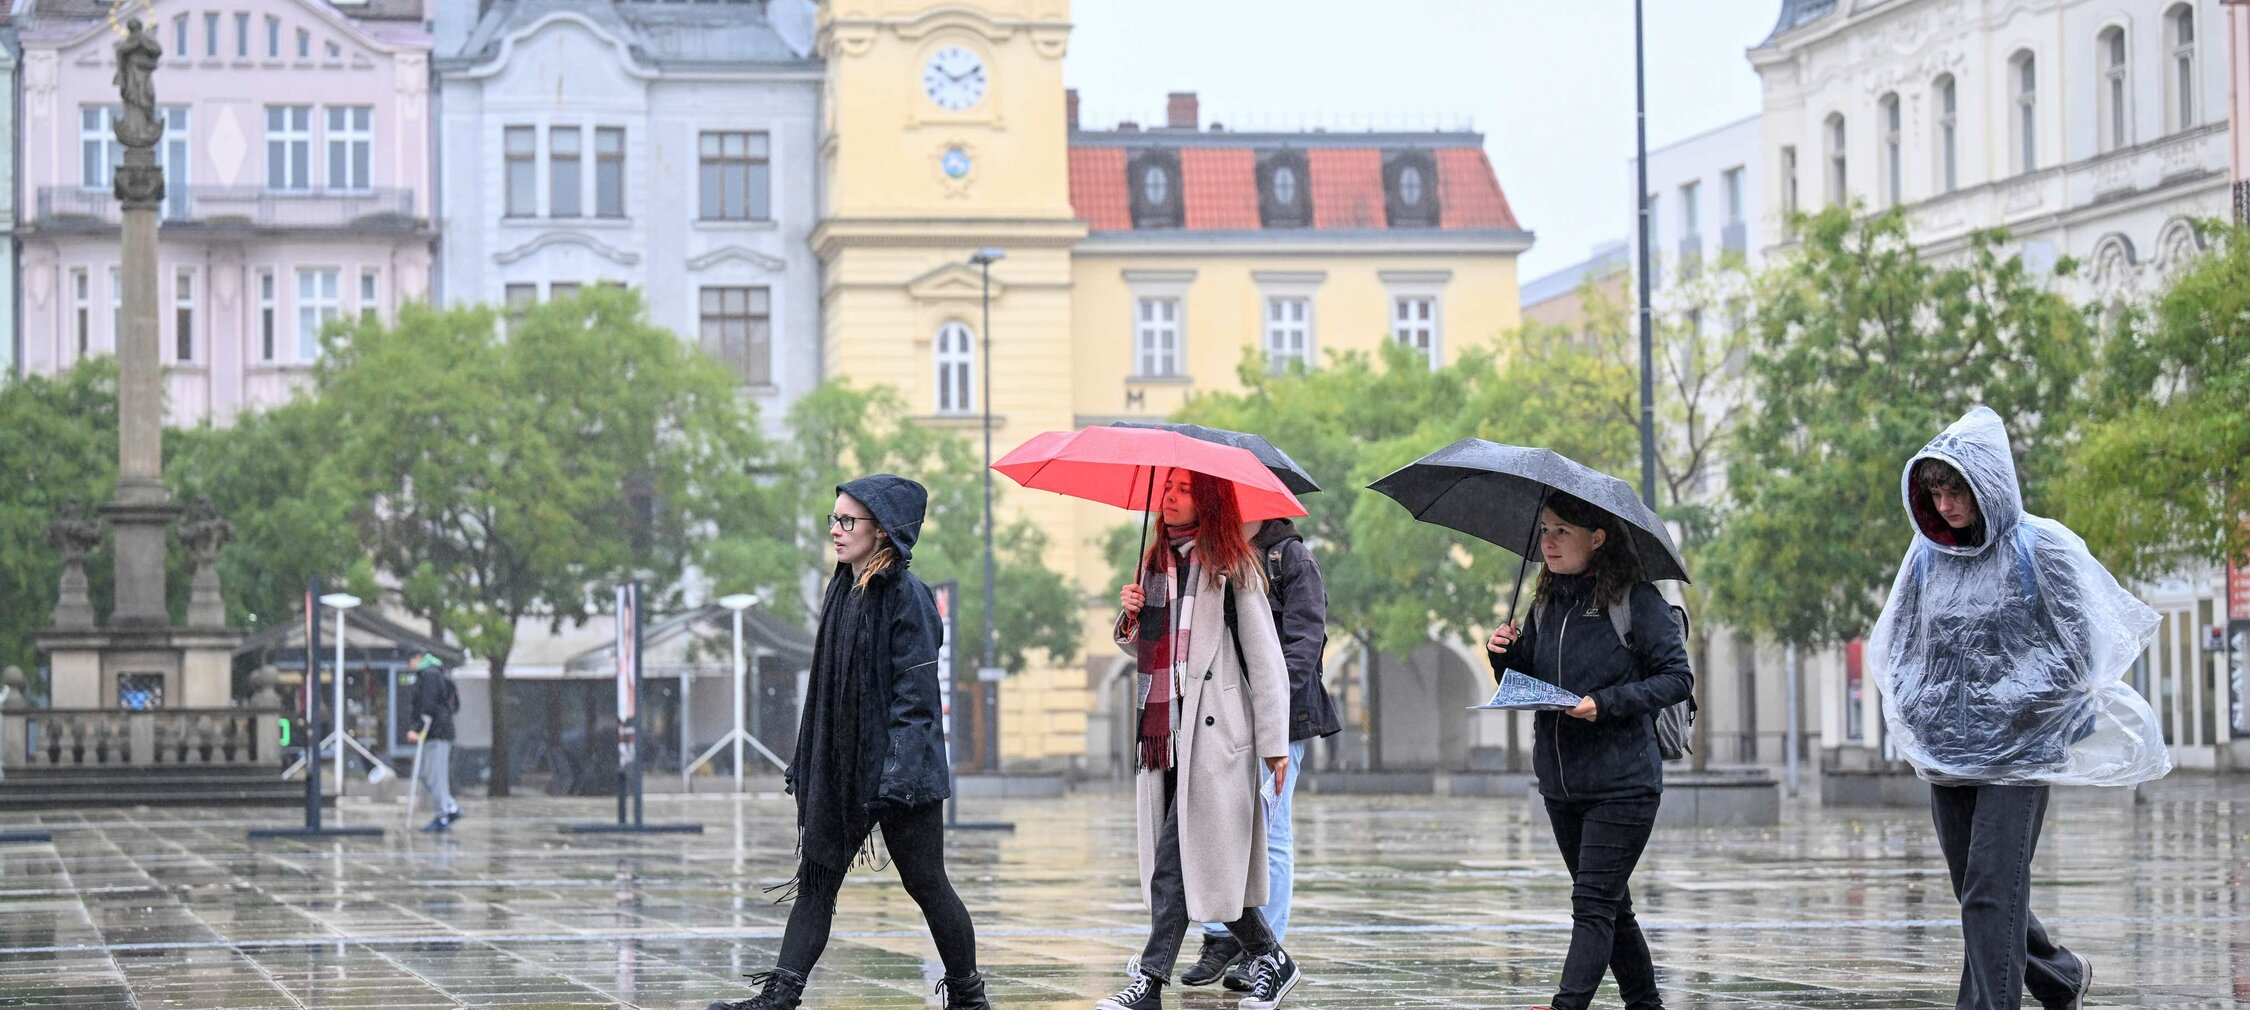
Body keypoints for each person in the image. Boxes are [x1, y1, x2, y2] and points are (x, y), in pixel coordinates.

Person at [1868, 406, 2169, 1010]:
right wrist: (1919, 709)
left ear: (1989, 484)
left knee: (1988, 890)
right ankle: (2058, 977)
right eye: (1936, 491)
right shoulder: (1927, 559)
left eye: (1956, 488)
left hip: (2022, 750)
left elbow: (2080, 654)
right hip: (1948, 750)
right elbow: (1899, 645)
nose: (1947, 503)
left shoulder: (2043, 548)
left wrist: (2013, 706)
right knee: (1978, 890)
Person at [707, 475, 989, 1010]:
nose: (835, 531)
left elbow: (916, 694)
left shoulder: (909, 597)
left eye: (847, 521)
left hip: (898, 774)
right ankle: (779, 999)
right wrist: (807, 760)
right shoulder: (842, 589)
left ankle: (970, 997)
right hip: (842, 767)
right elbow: (824, 691)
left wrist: (898, 776)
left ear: (881, 530)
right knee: (816, 881)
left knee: (928, 885)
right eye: (833, 519)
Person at [1101, 469, 1303, 1010]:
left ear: (1208, 501)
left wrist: (1274, 745)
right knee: (1206, 866)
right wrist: (1131, 615)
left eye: (1182, 489)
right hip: (1163, 735)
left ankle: (1149, 982)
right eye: (1165, 489)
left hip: (1215, 739)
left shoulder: (1232, 567)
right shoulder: (1154, 565)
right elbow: (1144, 651)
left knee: (1177, 862)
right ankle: (1272, 957)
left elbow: (1266, 661)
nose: (1169, 498)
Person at [1485, 491, 1692, 1010]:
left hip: (1623, 783)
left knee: (1593, 903)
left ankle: (1567, 1005)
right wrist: (1504, 658)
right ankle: (1646, 1005)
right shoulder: (1547, 603)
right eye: (1545, 531)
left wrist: (1605, 703)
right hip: (1561, 782)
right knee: (1612, 905)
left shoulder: (1634, 601)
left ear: (1596, 538)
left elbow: (1677, 678)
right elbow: (1530, 681)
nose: (1548, 543)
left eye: (1562, 532)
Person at [1181, 515, 1340, 992]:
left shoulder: (1290, 559)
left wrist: (1266, 707)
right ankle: (1222, 937)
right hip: (1221, 718)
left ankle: (1267, 951)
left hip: (1278, 719)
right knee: (1219, 827)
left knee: (1270, 832)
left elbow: (1305, 642)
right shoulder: (1211, 558)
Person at [404, 652, 462, 833]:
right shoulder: (433, 674)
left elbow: (427, 705)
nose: (408, 665)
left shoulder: (429, 675)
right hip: (435, 733)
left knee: (433, 775)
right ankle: (450, 807)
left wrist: (418, 728)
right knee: (430, 775)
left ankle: (443, 813)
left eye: (409, 661)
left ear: (417, 658)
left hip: (436, 732)